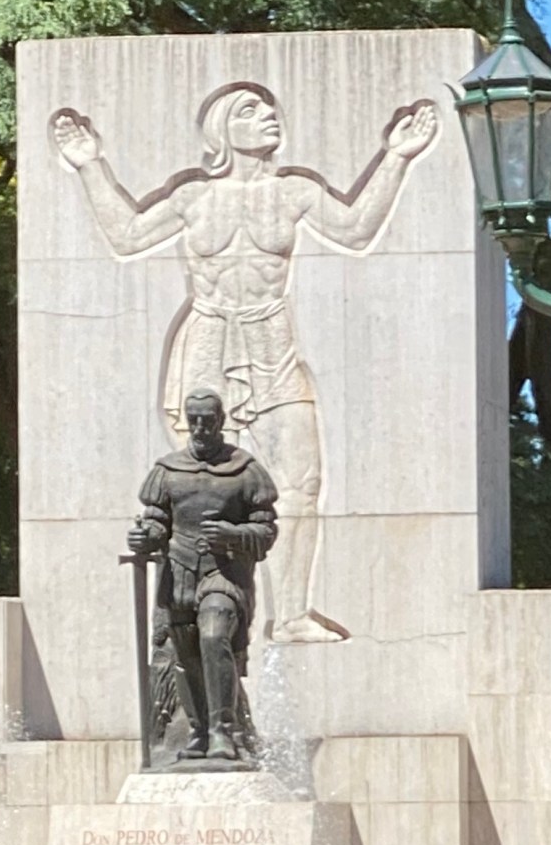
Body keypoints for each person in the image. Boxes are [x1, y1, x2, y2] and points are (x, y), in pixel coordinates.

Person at [54, 82, 437, 642]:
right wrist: (89, 164)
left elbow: (356, 230)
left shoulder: (295, 192)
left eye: (269, 108)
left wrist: (397, 157)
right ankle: (203, 614)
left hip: (272, 340)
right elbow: (128, 236)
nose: (268, 116)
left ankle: (293, 615)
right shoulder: (194, 197)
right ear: (222, 132)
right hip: (208, 341)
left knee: (302, 482)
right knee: (205, 485)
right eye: (250, 111)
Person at [127, 388, 277, 761]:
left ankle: (222, 731)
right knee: (186, 653)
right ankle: (198, 732)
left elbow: (266, 530)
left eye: (207, 421)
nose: (199, 428)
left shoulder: (245, 470)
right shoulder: (168, 471)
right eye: (193, 420)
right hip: (178, 573)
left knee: (213, 635)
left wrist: (233, 534)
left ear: (221, 421)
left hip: (222, 572)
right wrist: (145, 537)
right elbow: (157, 522)